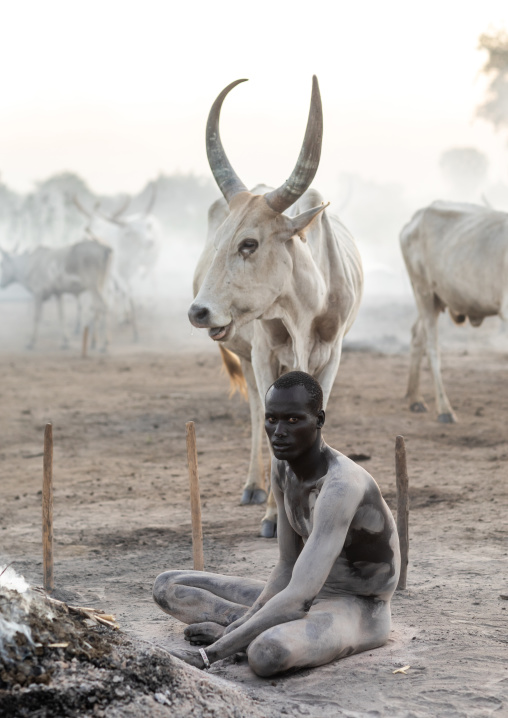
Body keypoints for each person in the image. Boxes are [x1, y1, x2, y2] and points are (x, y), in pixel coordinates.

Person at [153, 371, 400, 677]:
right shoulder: (282, 467)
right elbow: (287, 564)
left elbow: (297, 597)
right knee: (168, 585)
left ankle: (247, 631)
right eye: (271, 419)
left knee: (267, 653)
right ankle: (246, 626)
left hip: (357, 608)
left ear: (319, 420)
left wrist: (209, 655)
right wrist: (251, 618)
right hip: (302, 589)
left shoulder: (341, 486)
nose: (278, 431)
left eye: (293, 420)